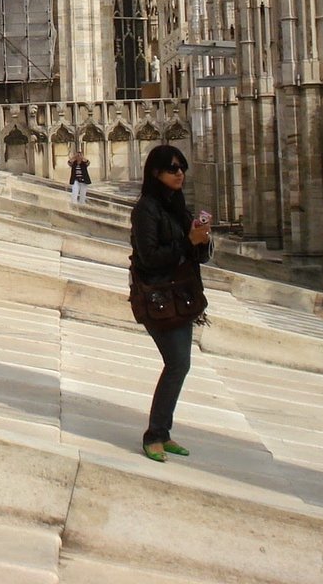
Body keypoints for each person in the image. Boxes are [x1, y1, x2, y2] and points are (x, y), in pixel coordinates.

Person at [130, 143, 212, 462]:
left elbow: (194, 255)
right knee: (177, 364)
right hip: (159, 299)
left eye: (182, 168)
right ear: (156, 173)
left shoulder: (178, 206)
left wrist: (202, 240)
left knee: (180, 365)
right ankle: (154, 434)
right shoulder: (146, 209)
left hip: (182, 296)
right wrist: (185, 242)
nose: (180, 174)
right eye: (173, 168)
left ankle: (162, 432)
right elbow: (149, 259)